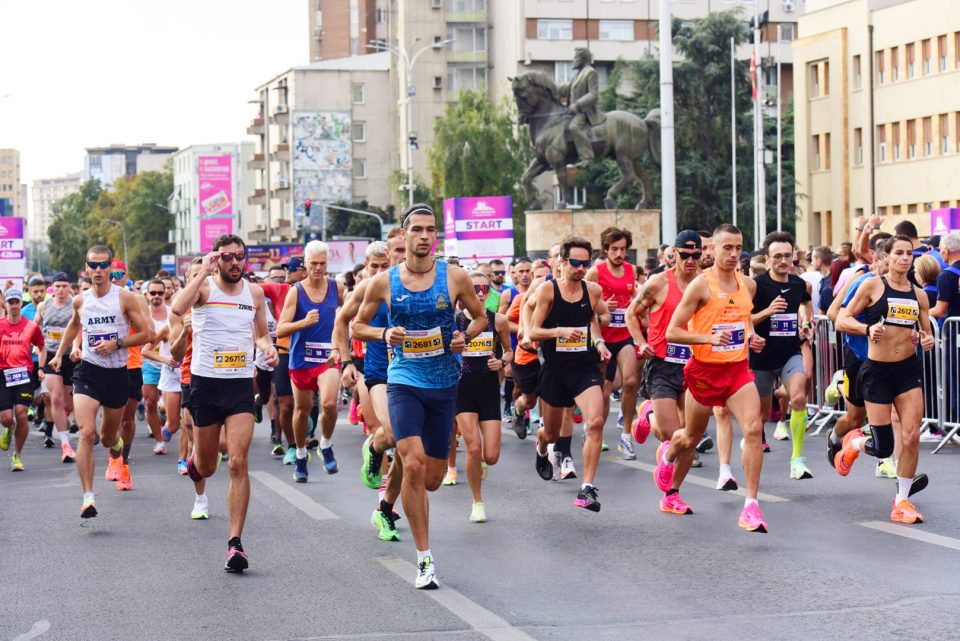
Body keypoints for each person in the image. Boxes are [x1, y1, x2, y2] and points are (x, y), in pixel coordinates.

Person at [353, 203, 487, 589]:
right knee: (411, 466)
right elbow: (358, 324)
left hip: (444, 385)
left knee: (429, 479)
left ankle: (387, 469)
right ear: (404, 234)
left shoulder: (455, 277)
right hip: (404, 380)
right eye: (417, 230)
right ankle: (424, 559)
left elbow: (479, 318)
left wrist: (467, 336)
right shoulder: (384, 282)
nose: (425, 236)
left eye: (431, 230)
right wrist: (383, 335)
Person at [173, 234, 279, 572]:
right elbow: (177, 307)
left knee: (237, 462)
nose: (234, 263)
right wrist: (202, 272)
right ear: (218, 258)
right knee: (206, 467)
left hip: (238, 387)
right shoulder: (204, 289)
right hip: (205, 385)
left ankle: (235, 544)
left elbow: (260, 332)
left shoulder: (256, 293)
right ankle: (195, 459)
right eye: (227, 257)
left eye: (239, 257)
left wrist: (266, 348)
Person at [659, 224, 769, 533]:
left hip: (736, 370)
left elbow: (742, 315)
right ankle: (669, 470)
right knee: (690, 438)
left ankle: (751, 506)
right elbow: (673, 332)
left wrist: (751, 335)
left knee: (753, 428)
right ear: (713, 250)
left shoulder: (748, 284)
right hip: (704, 371)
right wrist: (709, 338)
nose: (734, 254)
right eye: (727, 248)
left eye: (738, 248)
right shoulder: (700, 286)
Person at [835, 235, 936, 524]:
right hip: (877, 372)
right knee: (883, 447)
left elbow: (926, 331)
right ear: (887, 257)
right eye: (899, 253)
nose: (905, 259)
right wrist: (866, 329)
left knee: (912, 435)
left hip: (907, 371)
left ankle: (901, 501)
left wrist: (927, 339)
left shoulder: (919, 295)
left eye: (909, 254)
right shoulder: (872, 286)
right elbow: (842, 319)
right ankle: (854, 443)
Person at [49, 245, 150, 519]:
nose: (97, 271)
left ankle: (116, 447)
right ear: (86, 268)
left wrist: (117, 343)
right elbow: (73, 324)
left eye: (102, 265)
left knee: (107, 438)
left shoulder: (125, 299)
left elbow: (146, 333)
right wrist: (60, 354)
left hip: (117, 375)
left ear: (111, 268)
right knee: (86, 433)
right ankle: (88, 497)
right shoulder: (80, 300)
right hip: (88, 371)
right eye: (92, 266)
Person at [528, 235, 611, 512]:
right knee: (551, 434)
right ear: (562, 262)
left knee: (596, 422)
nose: (580, 268)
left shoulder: (594, 291)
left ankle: (586, 488)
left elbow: (591, 321)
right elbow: (534, 331)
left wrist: (599, 343)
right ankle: (542, 448)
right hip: (555, 370)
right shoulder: (548, 291)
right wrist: (559, 332)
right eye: (575, 262)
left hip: (584, 368)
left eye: (585, 263)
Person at [628, 230, 702, 513]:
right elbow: (630, 314)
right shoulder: (658, 283)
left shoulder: (704, 284)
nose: (691, 260)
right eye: (685, 255)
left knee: (691, 437)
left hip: (695, 364)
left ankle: (672, 493)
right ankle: (647, 412)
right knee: (673, 435)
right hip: (662, 364)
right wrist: (640, 341)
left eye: (696, 256)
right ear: (674, 253)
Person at [338, 235, 406, 542]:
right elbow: (342, 322)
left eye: (385, 264)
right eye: (374, 265)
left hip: (415, 373)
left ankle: (385, 507)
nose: (380, 270)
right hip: (379, 372)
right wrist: (346, 362)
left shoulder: (419, 286)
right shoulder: (368, 288)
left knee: (409, 450)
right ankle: (377, 447)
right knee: (392, 434)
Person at [276, 240, 345, 483]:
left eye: (322, 263)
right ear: (305, 264)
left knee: (328, 404)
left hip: (328, 358)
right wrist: (303, 323)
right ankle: (301, 453)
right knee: (302, 410)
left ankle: (325, 444)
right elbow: (281, 328)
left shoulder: (337, 288)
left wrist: (340, 349)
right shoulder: (296, 291)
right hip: (301, 359)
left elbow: (347, 319)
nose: (318, 267)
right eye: (313, 263)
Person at [750, 232, 814, 480]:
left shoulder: (799, 284)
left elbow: (807, 305)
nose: (783, 261)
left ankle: (797, 459)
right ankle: (754, 442)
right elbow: (745, 319)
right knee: (762, 416)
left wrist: (807, 324)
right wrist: (767, 311)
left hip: (790, 352)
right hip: (761, 358)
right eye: (778, 256)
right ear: (767, 259)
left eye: (788, 255)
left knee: (798, 397)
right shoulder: (756, 285)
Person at [454, 272, 513, 522]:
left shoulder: (498, 321)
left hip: (488, 389)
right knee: (473, 448)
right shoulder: (454, 322)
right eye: (474, 288)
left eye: (484, 289)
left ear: (489, 293)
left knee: (491, 455)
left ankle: (481, 465)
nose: (479, 292)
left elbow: (510, 353)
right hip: (462, 389)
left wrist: (500, 361)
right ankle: (477, 502)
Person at [585, 226, 640, 460]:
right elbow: (582, 305)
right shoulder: (595, 273)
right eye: (614, 249)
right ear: (605, 249)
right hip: (602, 338)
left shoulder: (631, 270)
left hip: (624, 334)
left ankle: (626, 436)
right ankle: (595, 432)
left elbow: (632, 299)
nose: (619, 253)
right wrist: (602, 307)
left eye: (623, 249)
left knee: (630, 381)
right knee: (604, 392)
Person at [262, 256, 306, 461]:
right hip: (284, 352)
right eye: (286, 268)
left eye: (293, 268)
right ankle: (293, 446)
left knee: (308, 405)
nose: (288, 271)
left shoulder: (322, 289)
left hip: (311, 354)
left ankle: (312, 433)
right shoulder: (279, 289)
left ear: (305, 271)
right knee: (285, 403)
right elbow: (250, 287)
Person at [0, 288, 45, 471]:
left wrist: (41, 367)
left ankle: (17, 455)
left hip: (23, 374)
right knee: (7, 418)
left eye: (17, 302)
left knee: (21, 414)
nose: (14, 305)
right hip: (3, 374)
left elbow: (41, 347)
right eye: (10, 302)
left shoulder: (31, 326)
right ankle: (9, 429)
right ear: (6, 304)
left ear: (21, 303)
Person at [34, 273, 77, 463]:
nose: (61, 290)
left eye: (64, 286)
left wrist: (76, 347)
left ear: (69, 287)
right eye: (57, 286)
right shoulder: (44, 306)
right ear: (52, 287)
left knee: (68, 403)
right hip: (50, 355)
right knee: (56, 399)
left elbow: (79, 329)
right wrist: (36, 343)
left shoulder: (75, 304)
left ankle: (71, 419)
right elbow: (35, 326)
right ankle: (65, 445)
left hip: (70, 357)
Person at [558, 47, 604, 168]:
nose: (573, 60)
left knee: (574, 127)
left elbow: (593, 95)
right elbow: (567, 89)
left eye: (576, 57)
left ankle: (587, 158)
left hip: (584, 111)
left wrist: (577, 105)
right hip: (572, 111)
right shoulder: (578, 74)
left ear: (582, 58)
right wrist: (548, 87)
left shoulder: (590, 72)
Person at [932, 231, 960, 320]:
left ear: (946, 251)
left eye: (940, 249)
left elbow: (940, 311)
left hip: (954, 330)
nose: (940, 253)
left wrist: (921, 312)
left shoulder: (945, 275)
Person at [801, 245, 833, 314]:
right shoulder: (826, 279)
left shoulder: (829, 284)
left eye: (812, 260)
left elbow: (824, 312)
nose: (811, 263)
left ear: (818, 261)